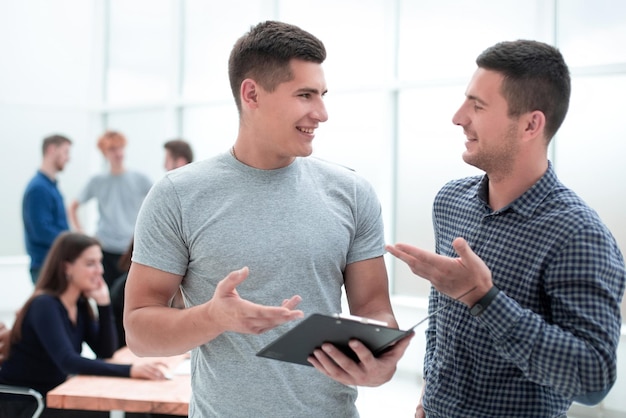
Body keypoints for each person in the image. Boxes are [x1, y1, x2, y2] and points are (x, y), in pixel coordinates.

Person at [124, 20, 413, 417]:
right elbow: (139, 331)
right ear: (252, 94)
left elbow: (375, 309)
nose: (322, 113)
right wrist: (213, 316)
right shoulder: (177, 195)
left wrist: (381, 363)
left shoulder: (352, 193)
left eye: (323, 95)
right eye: (305, 95)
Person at [386, 40, 626, 418]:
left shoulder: (579, 233)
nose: (458, 117)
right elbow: (443, 323)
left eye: (477, 106)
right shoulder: (451, 201)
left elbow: (593, 378)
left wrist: (484, 299)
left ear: (531, 124)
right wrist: (427, 397)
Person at [0, 232, 167, 418]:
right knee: (125, 412)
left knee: (136, 410)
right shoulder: (45, 305)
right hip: (29, 402)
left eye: (99, 262)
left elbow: (105, 351)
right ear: (66, 267)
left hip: (57, 393)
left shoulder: (78, 304)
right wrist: (130, 370)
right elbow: (68, 361)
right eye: (90, 264)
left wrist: (103, 304)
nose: (100, 270)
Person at [69, 131, 152, 288]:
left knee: (127, 297)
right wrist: (80, 232)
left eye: (120, 148)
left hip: (131, 251)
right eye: (113, 149)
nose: (118, 153)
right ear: (104, 153)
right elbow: (73, 206)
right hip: (105, 248)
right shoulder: (97, 181)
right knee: (104, 295)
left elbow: (159, 204)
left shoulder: (140, 179)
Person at [22, 134, 72, 284]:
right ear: (51, 150)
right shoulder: (39, 188)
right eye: (65, 152)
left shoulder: (50, 186)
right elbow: (41, 231)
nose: (68, 158)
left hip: (55, 264)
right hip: (46, 266)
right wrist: (71, 243)